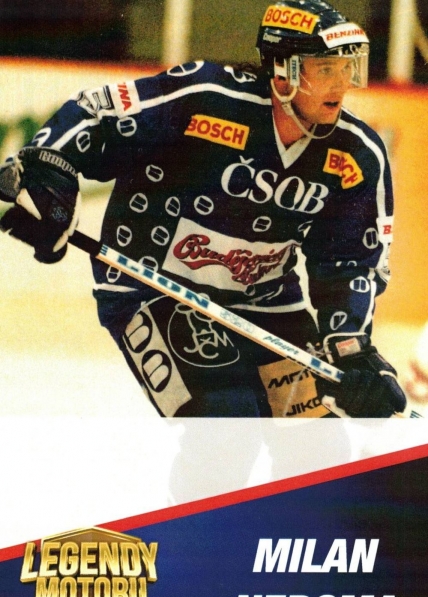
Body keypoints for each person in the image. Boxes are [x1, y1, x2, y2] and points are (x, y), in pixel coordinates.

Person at [0, 0, 406, 420]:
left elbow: (350, 262)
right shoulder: (207, 98)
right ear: (283, 72)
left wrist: (351, 349)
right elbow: (97, 110)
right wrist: (49, 167)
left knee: (319, 442)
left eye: (347, 68)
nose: (341, 84)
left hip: (266, 302)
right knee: (227, 423)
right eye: (325, 70)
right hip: (153, 287)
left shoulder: (357, 154)